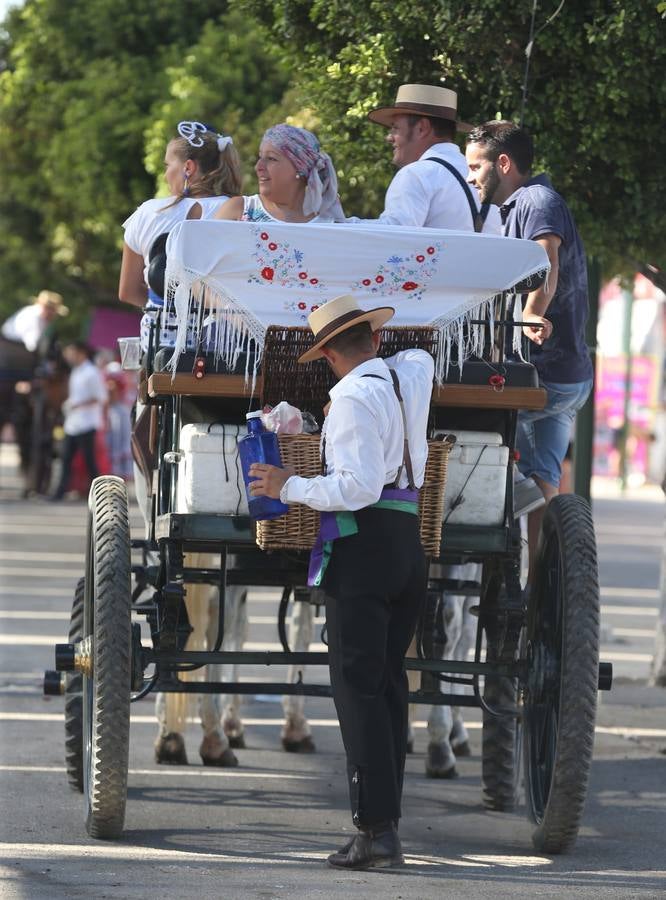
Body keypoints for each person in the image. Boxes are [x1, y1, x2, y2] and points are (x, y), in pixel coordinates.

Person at [248, 294, 433, 870]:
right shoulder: (407, 382)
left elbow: (358, 487)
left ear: (327, 355)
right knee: (388, 684)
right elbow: (421, 359)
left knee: (358, 691)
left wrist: (288, 485)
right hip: (408, 545)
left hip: (364, 546)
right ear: (375, 340)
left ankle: (376, 831)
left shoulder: (352, 398)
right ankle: (386, 826)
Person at [465, 121, 594, 585]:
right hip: (565, 374)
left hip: (544, 378)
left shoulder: (537, 201)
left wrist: (531, 313)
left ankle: (504, 559)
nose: (471, 178)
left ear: (503, 163)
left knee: (476, 443)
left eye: (475, 166)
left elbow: (546, 262)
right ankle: (537, 592)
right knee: (543, 483)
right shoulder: (521, 205)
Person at [119, 120, 242, 350]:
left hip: (160, 344)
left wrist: (169, 307)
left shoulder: (148, 213)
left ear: (188, 167)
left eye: (168, 165)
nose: (166, 174)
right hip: (222, 347)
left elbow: (128, 291)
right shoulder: (240, 212)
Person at [348, 83, 500, 234]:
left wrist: (338, 225)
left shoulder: (416, 174)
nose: (389, 137)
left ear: (422, 128)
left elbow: (392, 235)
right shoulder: (484, 175)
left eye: (395, 128)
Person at [215, 123, 344, 224]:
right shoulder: (237, 211)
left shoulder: (329, 222)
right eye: (260, 157)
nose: (258, 167)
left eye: (271, 158)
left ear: (300, 167)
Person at [51, 341, 107, 500]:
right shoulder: (76, 372)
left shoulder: (92, 372)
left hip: (87, 423)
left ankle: (100, 494)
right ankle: (59, 492)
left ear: (81, 353)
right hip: (73, 423)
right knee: (66, 459)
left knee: (90, 461)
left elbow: (100, 397)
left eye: (72, 353)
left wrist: (78, 404)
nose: (69, 357)